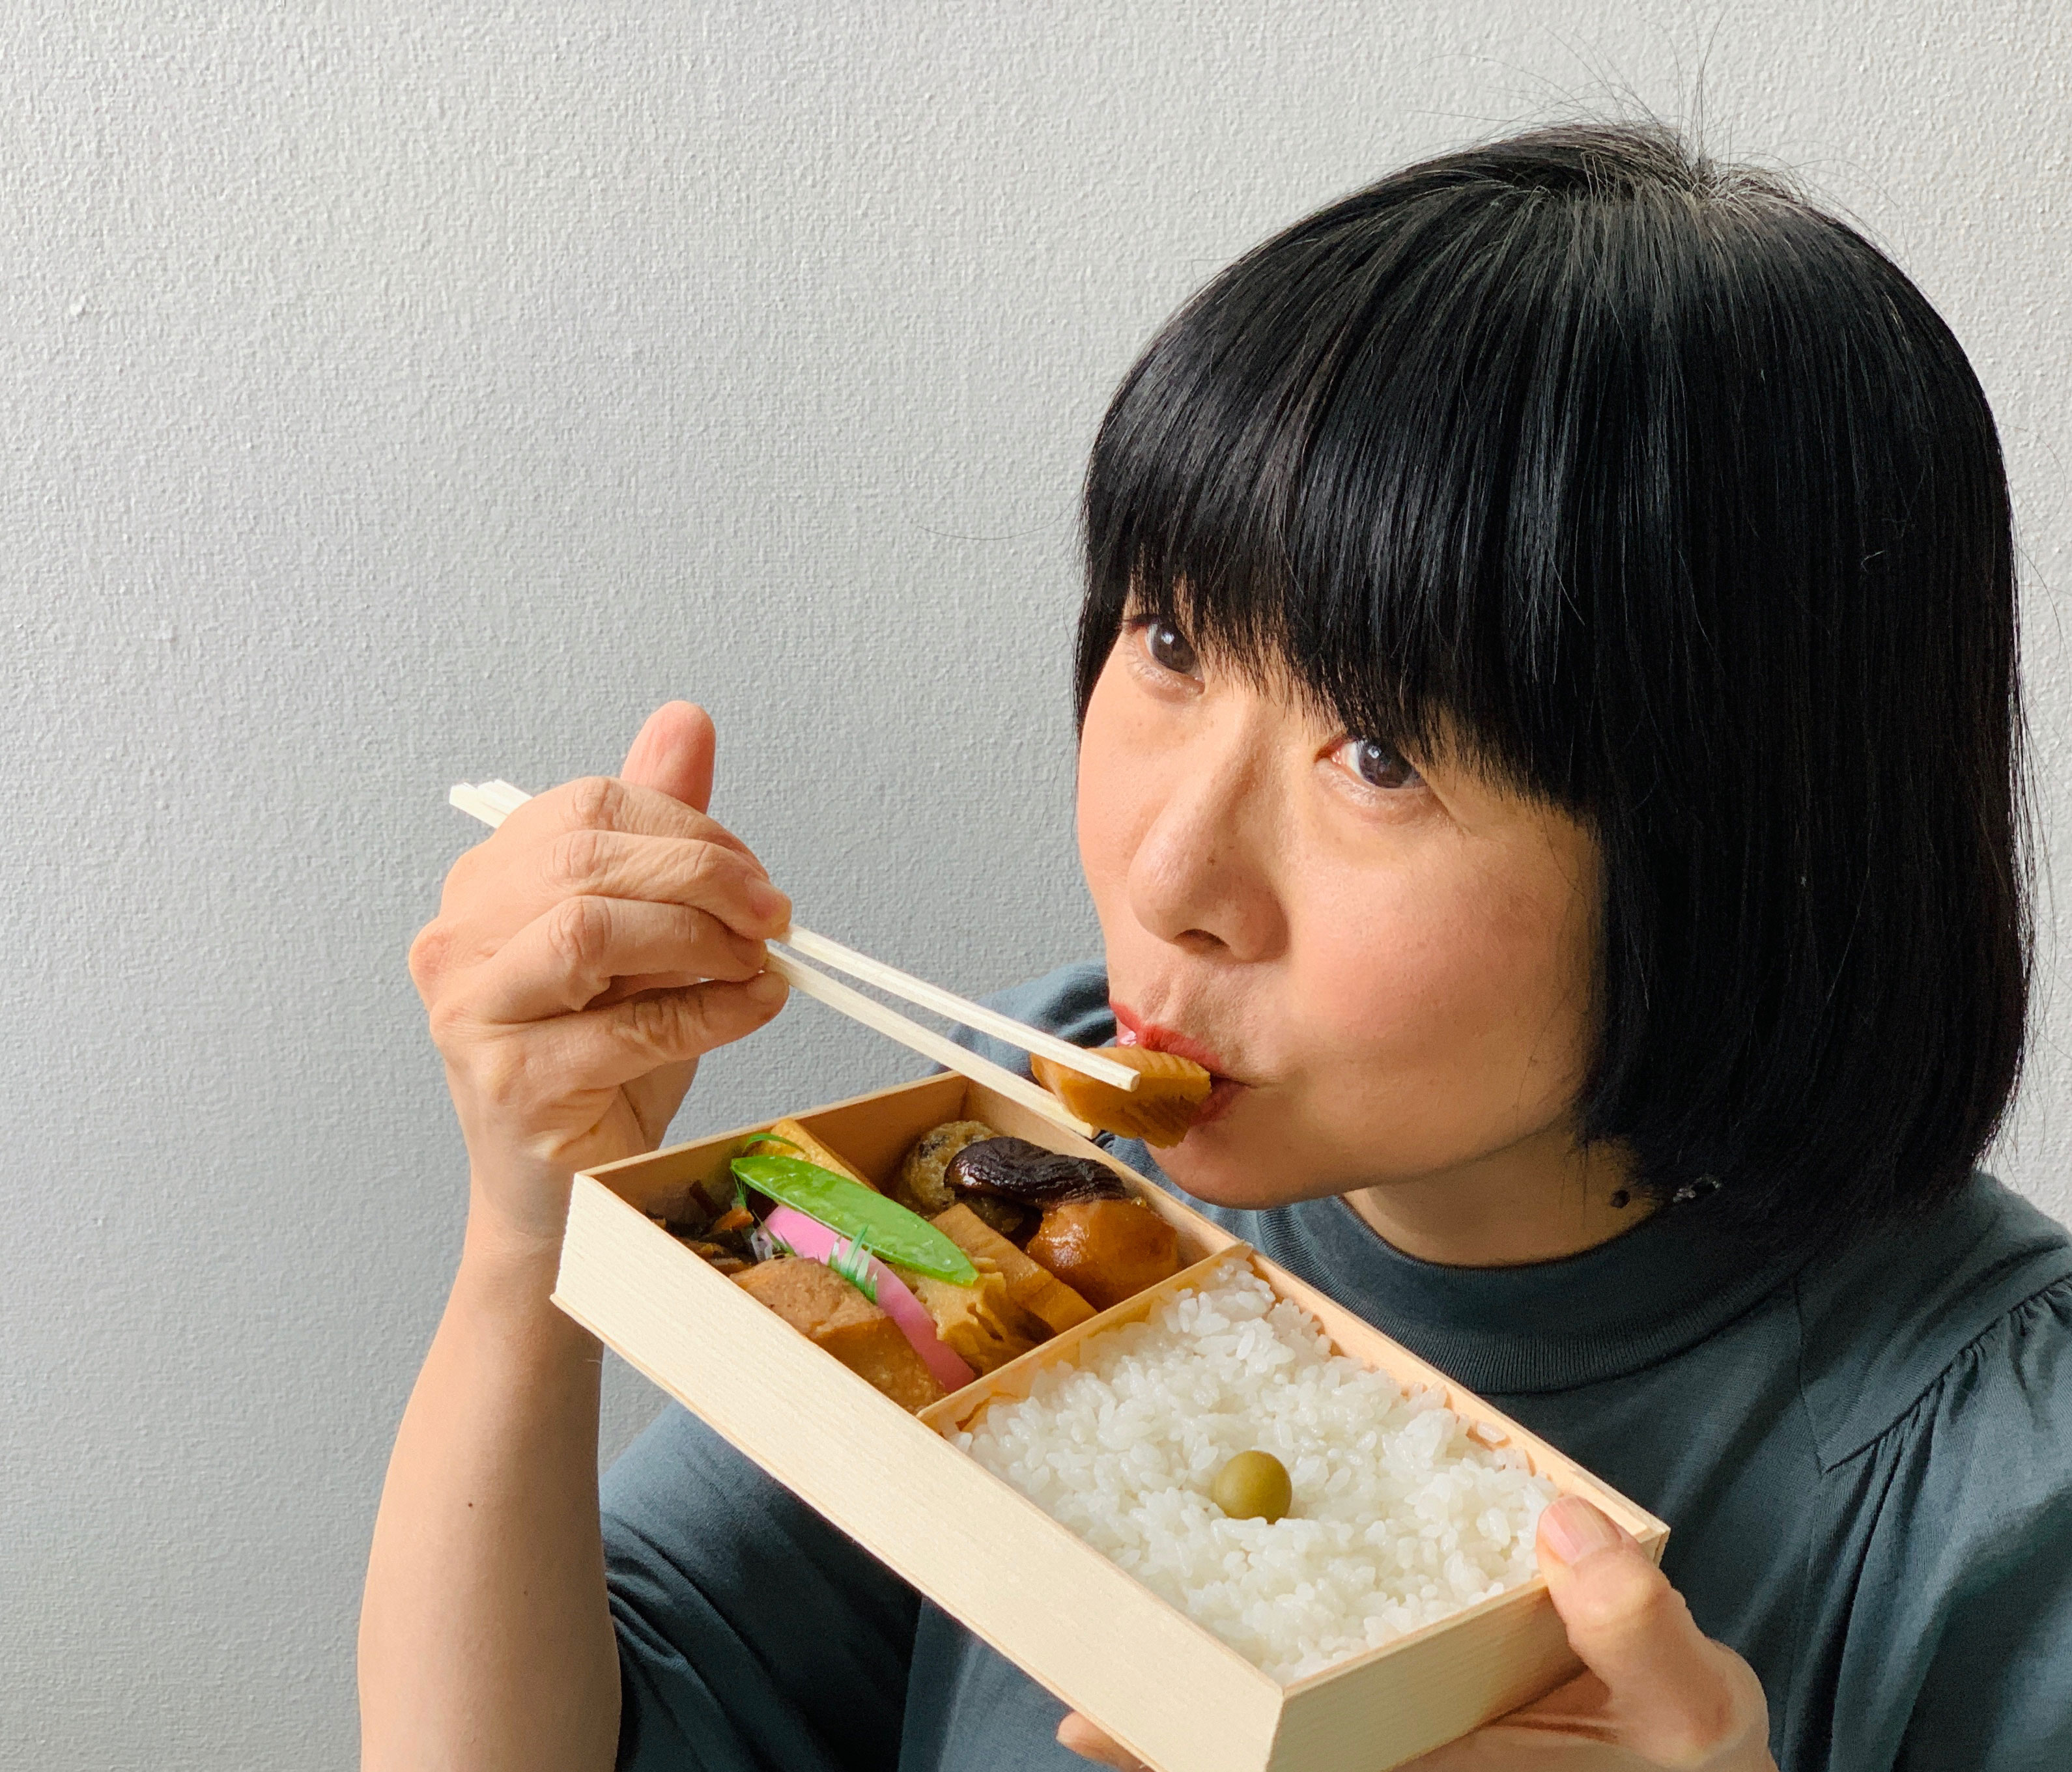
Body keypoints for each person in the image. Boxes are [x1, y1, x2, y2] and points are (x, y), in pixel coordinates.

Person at [357, 123, 2071, 1771]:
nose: (1172, 872)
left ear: (1744, 852)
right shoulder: (1020, 1159)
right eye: (1171, 641)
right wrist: (528, 1235)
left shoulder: (2012, 1470)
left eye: (1379, 755)